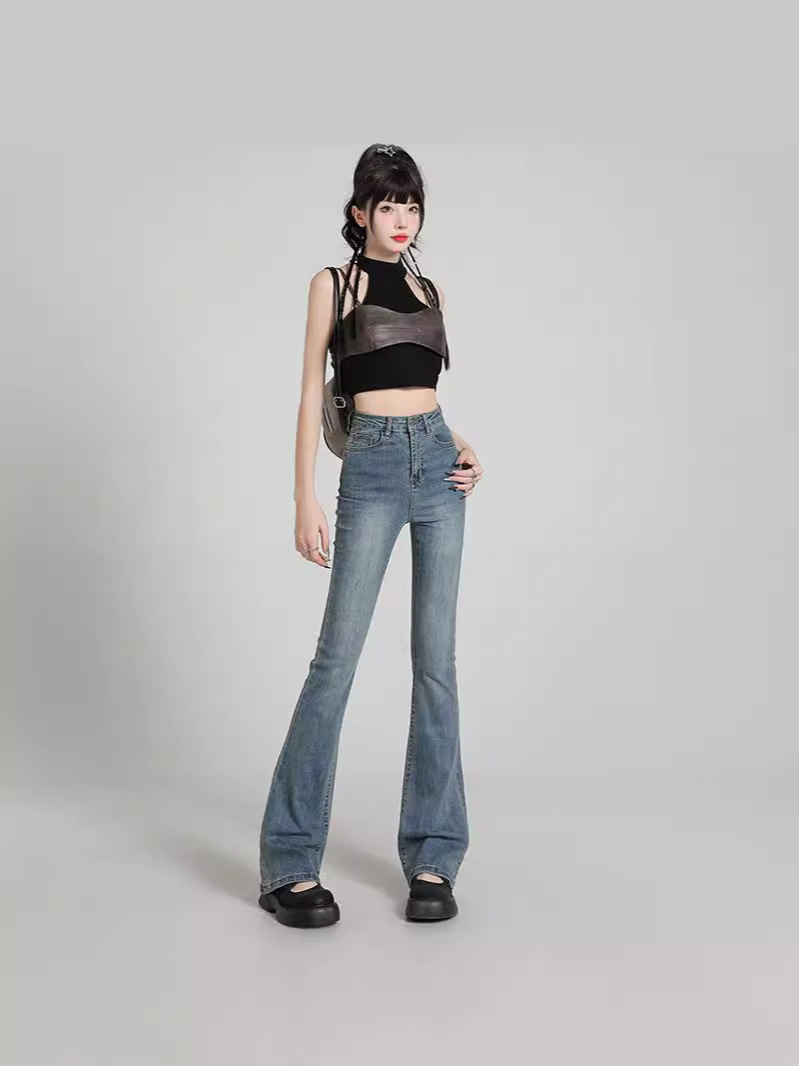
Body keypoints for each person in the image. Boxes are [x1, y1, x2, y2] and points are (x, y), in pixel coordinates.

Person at [258, 143, 484, 928]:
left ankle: (434, 855)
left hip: (438, 467)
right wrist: (303, 497)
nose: (402, 218)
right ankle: (288, 863)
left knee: (436, 665)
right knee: (336, 662)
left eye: (411, 205)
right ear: (360, 212)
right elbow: (307, 394)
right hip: (373, 467)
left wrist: (461, 445)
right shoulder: (334, 283)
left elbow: (419, 388)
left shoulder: (428, 288)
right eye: (388, 205)